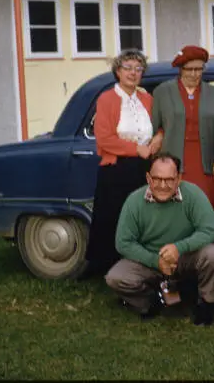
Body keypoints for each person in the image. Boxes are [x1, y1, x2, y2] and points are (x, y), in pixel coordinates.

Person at [105, 153, 214, 326]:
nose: (162, 185)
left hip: (184, 257)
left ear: (179, 178)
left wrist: (179, 248)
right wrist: (155, 261)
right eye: (157, 179)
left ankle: (206, 304)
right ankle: (150, 301)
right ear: (148, 178)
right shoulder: (134, 201)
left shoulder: (193, 194)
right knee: (115, 277)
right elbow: (123, 242)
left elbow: (211, 229)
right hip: (150, 260)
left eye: (169, 179)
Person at [85, 50, 160, 274]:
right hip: (117, 169)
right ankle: (111, 268)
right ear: (118, 71)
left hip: (144, 168)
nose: (133, 73)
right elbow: (105, 139)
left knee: (143, 218)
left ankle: (140, 265)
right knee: (115, 219)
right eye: (127, 67)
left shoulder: (147, 99)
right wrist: (137, 148)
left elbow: (161, 125)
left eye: (138, 69)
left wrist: (157, 140)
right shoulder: (107, 99)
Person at [150, 45, 214, 243]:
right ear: (180, 69)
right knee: (176, 212)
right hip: (174, 162)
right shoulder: (162, 92)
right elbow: (154, 127)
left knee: (208, 210)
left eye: (199, 69)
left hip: (206, 164)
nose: (194, 74)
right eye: (189, 69)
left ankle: (211, 259)